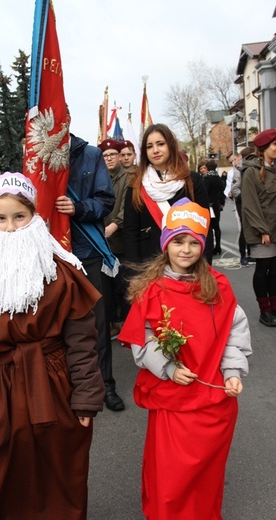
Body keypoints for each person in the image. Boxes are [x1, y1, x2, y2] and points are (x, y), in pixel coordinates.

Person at [0, 172, 105, 520]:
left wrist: (87, 395)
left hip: (53, 386)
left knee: (58, 475)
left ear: (34, 216)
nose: (10, 227)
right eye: (1, 218)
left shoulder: (60, 272)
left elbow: (82, 343)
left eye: (19, 217)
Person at [118, 197, 252, 520]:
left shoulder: (217, 286)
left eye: (194, 242)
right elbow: (143, 339)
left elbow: (233, 330)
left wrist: (232, 371)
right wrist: (168, 367)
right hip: (173, 398)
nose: (186, 249)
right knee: (172, 476)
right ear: (166, 243)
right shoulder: (152, 289)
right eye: (178, 240)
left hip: (210, 397)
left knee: (205, 476)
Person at [55, 110, 125, 411]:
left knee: (96, 324)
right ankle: (68, 387)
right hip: (53, 254)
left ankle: (104, 385)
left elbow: (105, 200)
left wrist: (78, 207)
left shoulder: (91, 154)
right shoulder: (38, 159)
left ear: (68, 119)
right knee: (58, 325)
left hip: (88, 252)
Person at [123, 123, 212, 265]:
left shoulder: (192, 180)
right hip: (150, 264)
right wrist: (134, 272)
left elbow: (205, 226)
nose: (155, 150)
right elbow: (130, 233)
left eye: (160, 144)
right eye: (149, 146)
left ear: (170, 145)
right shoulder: (136, 185)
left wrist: (205, 265)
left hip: (188, 261)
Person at [241, 129, 276, 327]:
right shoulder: (251, 172)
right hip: (262, 232)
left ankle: (275, 306)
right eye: (275, 145)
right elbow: (250, 205)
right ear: (264, 149)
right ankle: (265, 310)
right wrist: (263, 230)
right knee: (263, 270)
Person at [98, 138, 129, 337]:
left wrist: (114, 225)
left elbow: (126, 208)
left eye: (112, 155)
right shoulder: (99, 178)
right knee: (105, 287)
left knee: (123, 285)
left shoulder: (128, 178)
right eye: (105, 156)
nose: (109, 158)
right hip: (102, 241)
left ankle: (126, 322)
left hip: (121, 241)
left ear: (119, 156)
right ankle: (112, 322)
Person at [231, 146, 255, 267]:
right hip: (244, 203)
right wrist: (245, 198)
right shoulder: (239, 170)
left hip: (254, 203)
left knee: (254, 228)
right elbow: (234, 189)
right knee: (245, 229)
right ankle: (243, 255)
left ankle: (252, 254)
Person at [203, 159, 225, 255]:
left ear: (207, 168)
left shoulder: (207, 178)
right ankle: (218, 246)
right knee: (216, 226)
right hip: (216, 204)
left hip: (208, 205)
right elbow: (222, 191)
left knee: (209, 227)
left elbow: (204, 192)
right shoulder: (218, 178)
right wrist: (221, 202)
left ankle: (210, 247)